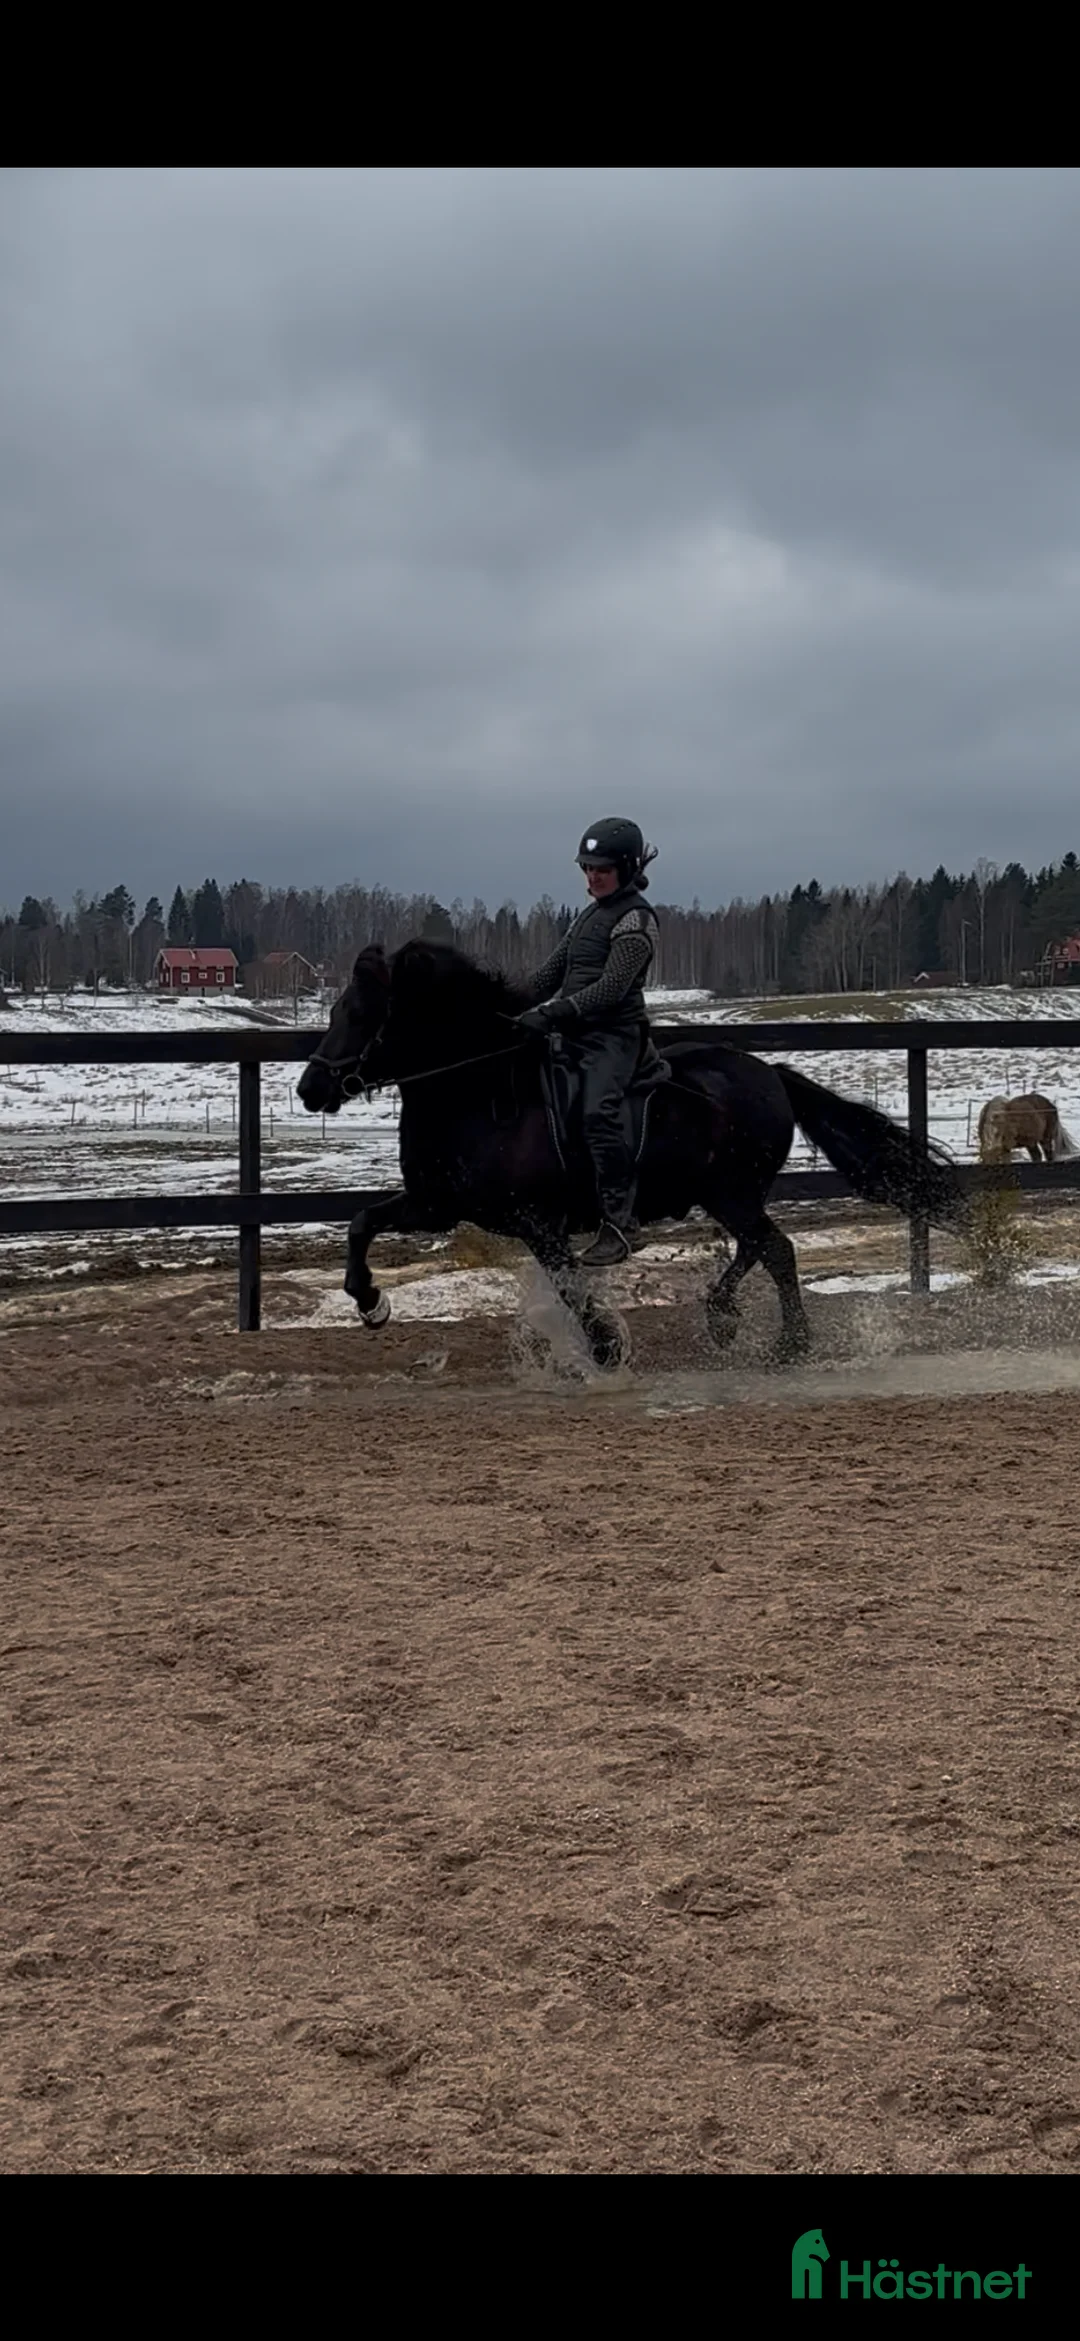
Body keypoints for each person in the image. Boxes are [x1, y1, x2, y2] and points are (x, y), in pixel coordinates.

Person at [516, 816, 667, 1266]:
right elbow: (548, 975)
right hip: (575, 1032)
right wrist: (505, 1001)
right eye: (586, 868)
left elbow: (612, 988)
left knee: (597, 1111)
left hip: (614, 1037)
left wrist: (555, 1012)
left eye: (601, 869)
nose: (592, 876)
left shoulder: (637, 918)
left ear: (625, 867)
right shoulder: (589, 916)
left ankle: (621, 1224)